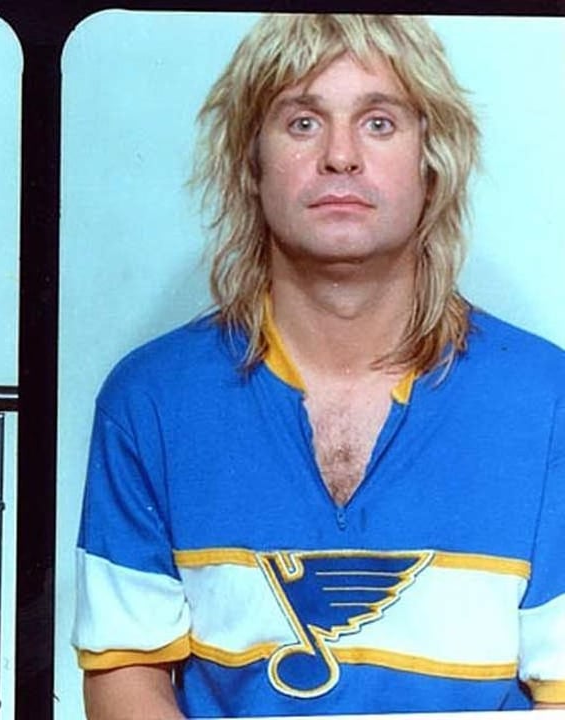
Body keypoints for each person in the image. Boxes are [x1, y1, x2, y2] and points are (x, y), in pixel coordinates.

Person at [72, 14, 565, 719]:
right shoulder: (150, 400)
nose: (341, 156)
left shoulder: (547, 403)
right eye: (303, 122)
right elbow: (127, 672)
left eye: (379, 123)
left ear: (433, 161)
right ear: (252, 162)